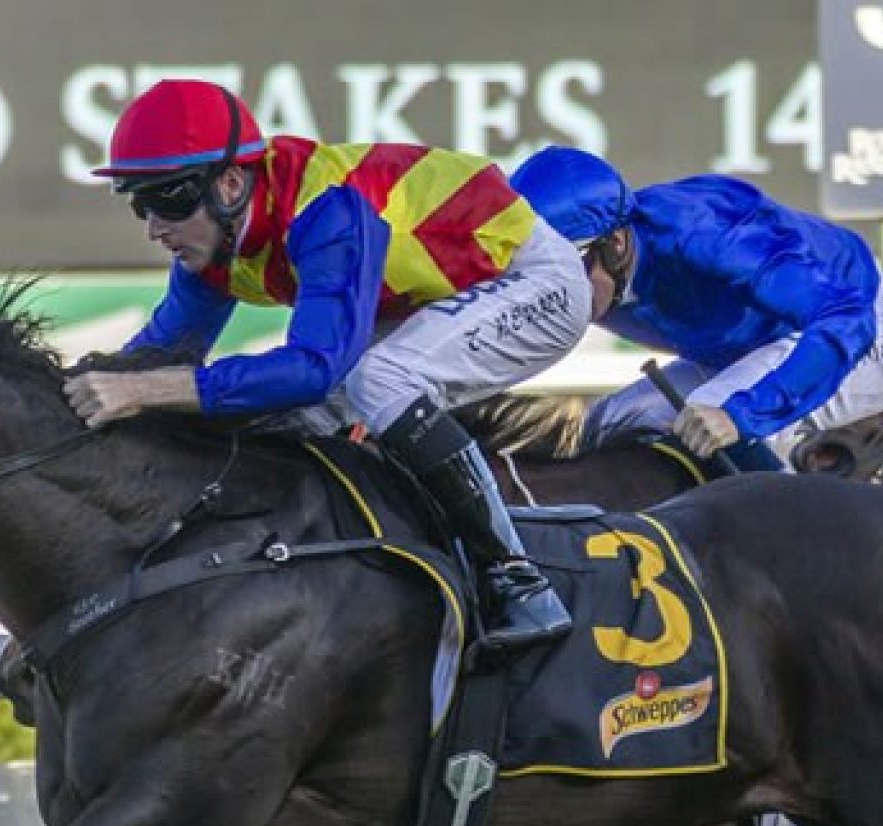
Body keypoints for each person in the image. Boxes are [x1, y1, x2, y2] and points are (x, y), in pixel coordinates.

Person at [62, 79, 590, 652]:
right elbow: (158, 355)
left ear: (231, 182)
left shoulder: (327, 209)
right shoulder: (215, 238)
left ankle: (518, 581)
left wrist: (150, 389)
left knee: (375, 379)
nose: (154, 227)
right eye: (140, 202)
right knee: (276, 419)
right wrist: (72, 388)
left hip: (531, 281)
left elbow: (315, 367)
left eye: (168, 199)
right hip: (420, 301)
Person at [506, 146, 883, 471]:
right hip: (749, 347)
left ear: (615, 244)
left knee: (715, 414)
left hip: (866, 323)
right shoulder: (590, 259)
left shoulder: (709, 237)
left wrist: (745, 415)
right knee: (608, 423)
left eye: (565, 269)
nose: (551, 289)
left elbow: (845, 318)